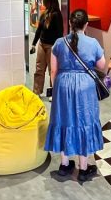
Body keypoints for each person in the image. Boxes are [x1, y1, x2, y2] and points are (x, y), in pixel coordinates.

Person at [45, 9, 107, 182]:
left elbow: (54, 71)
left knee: (64, 120)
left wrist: (57, 88)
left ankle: (64, 165)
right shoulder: (92, 42)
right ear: (86, 25)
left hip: (63, 85)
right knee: (84, 121)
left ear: (70, 24)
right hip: (85, 87)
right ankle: (84, 168)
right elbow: (101, 65)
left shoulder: (59, 43)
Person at [30, 0, 63, 98]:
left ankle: (52, 93)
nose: (42, 1)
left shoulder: (57, 15)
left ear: (49, 1)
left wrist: (57, 48)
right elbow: (39, 30)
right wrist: (34, 44)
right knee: (39, 69)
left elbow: (59, 33)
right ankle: (37, 92)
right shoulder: (44, 13)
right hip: (42, 44)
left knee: (52, 70)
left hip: (52, 46)